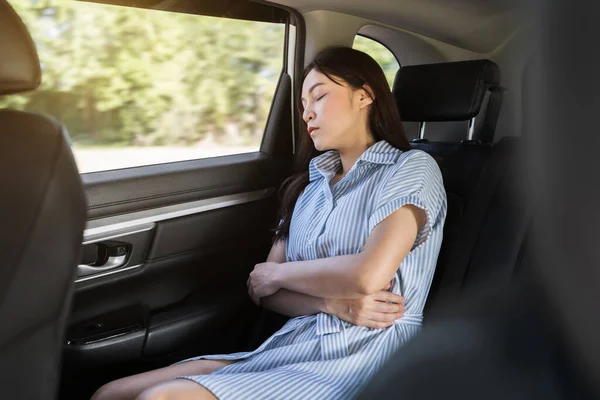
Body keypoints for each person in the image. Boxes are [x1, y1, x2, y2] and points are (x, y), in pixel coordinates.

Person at [91, 46, 447, 400]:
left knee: (163, 398)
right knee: (112, 393)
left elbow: (367, 276)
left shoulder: (411, 168)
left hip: (366, 353)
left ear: (365, 95)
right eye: (302, 105)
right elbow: (264, 295)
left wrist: (275, 274)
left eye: (319, 97)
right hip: (292, 344)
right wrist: (331, 304)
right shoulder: (308, 187)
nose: (307, 113)